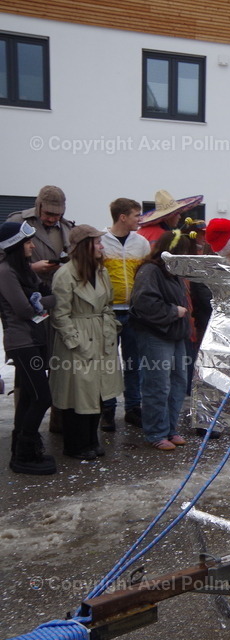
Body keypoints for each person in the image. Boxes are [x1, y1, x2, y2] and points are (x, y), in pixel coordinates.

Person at [49, 225, 123, 461]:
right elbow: (59, 314)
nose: (101, 246)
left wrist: (110, 327)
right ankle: (74, 445)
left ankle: (91, 439)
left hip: (101, 335)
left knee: (98, 391)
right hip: (78, 338)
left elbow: (108, 304)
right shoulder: (65, 274)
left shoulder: (100, 271)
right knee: (77, 393)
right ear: (85, 246)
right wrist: (74, 340)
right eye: (97, 242)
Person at [0, 222, 57, 474]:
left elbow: (48, 295)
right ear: (15, 246)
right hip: (21, 343)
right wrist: (42, 301)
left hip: (34, 339)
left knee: (27, 398)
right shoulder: (5, 271)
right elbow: (24, 309)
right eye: (28, 242)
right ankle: (25, 453)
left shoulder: (22, 269)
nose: (32, 246)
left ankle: (20, 451)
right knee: (42, 397)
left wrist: (40, 301)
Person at [130, 229, 194, 450]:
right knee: (158, 385)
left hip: (176, 335)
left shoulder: (172, 272)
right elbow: (144, 303)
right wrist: (173, 312)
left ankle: (170, 429)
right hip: (156, 335)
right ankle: (156, 432)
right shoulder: (150, 271)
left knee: (178, 383)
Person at [99, 198, 149, 431]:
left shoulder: (141, 243)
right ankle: (107, 410)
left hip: (133, 312)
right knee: (108, 364)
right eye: (136, 215)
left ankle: (133, 408)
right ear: (122, 217)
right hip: (108, 312)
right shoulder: (101, 241)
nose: (140, 219)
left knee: (133, 363)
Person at [6, 185, 74, 288]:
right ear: (38, 207)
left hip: (56, 289)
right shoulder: (17, 222)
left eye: (57, 215)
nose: (51, 219)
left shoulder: (68, 228)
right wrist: (30, 268)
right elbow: (2, 258)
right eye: (48, 213)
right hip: (23, 288)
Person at [137, 190, 203, 245]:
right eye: (177, 213)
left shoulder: (144, 230)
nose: (179, 217)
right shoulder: (161, 235)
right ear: (169, 216)